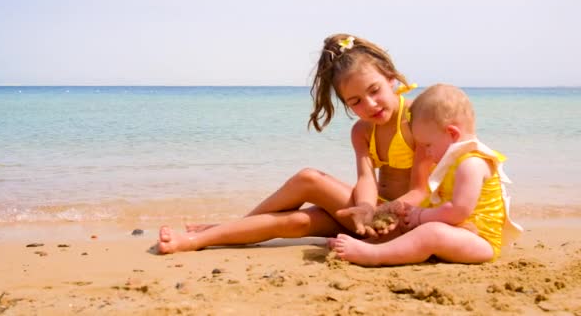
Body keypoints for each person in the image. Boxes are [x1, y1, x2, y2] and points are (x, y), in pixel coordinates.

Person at [156, 34, 432, 254]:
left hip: (401, 224)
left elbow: (421, 190)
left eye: (375, 91)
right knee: (296, 221)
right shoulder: (362, 131)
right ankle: (207, 238)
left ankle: (226, 228)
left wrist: (377, 212)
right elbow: (366, 179)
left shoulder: (416, 118)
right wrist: (366, 207)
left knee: (309, 179)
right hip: (368, 216)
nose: (369, 104)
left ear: (391, 77)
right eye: (355, 101)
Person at [331, 84, 523, 266]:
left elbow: (458, 211)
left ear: (452, 134)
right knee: (419, 227)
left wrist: (422, 216)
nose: (426, 153)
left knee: (430, 232)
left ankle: (373, 255)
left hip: (481, 242)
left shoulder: (470, 163)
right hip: (462, 234)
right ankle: (374, 244)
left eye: (428, 145)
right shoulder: (458, 160)